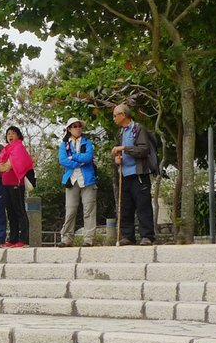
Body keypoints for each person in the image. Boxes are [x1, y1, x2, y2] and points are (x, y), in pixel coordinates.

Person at [110, 103, 159, 246]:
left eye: (115, 115)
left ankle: (147, 236)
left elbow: (144, 150)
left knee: (143, 206)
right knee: (126, 207)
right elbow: (117, 153)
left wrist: (124, 148)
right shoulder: (120, 133)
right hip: (124, 175)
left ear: (123, 115)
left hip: (139, 174)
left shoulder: (138, 129)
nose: (113, 118)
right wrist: (116, 159)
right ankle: (128, 236)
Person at [57, 118, 98, 247]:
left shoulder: (87, 142)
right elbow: (63, 160)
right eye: (74, 126)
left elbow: (88, 157)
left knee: (89, 209)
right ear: (69, 129)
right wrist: (78, 163)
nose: (78, 128)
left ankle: (88, 239)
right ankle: (66, 238)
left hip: (87, 179)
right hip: (71, 179)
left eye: (79, 126)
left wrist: (73, 156)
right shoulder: (64, 144)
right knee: (70, 210)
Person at [0, 126, 34, 247]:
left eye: (13, 133)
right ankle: (13, 238)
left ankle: (24, 240)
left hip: (16, 183)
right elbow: (0, 167)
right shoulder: (5, 149)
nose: (10, 135)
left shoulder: (19, 148)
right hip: (5, 183)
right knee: (10, 212)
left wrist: (7, 165)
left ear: (18, 135)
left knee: (19, 211)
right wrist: (5, 165)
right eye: (8, 134)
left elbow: (12, 164)